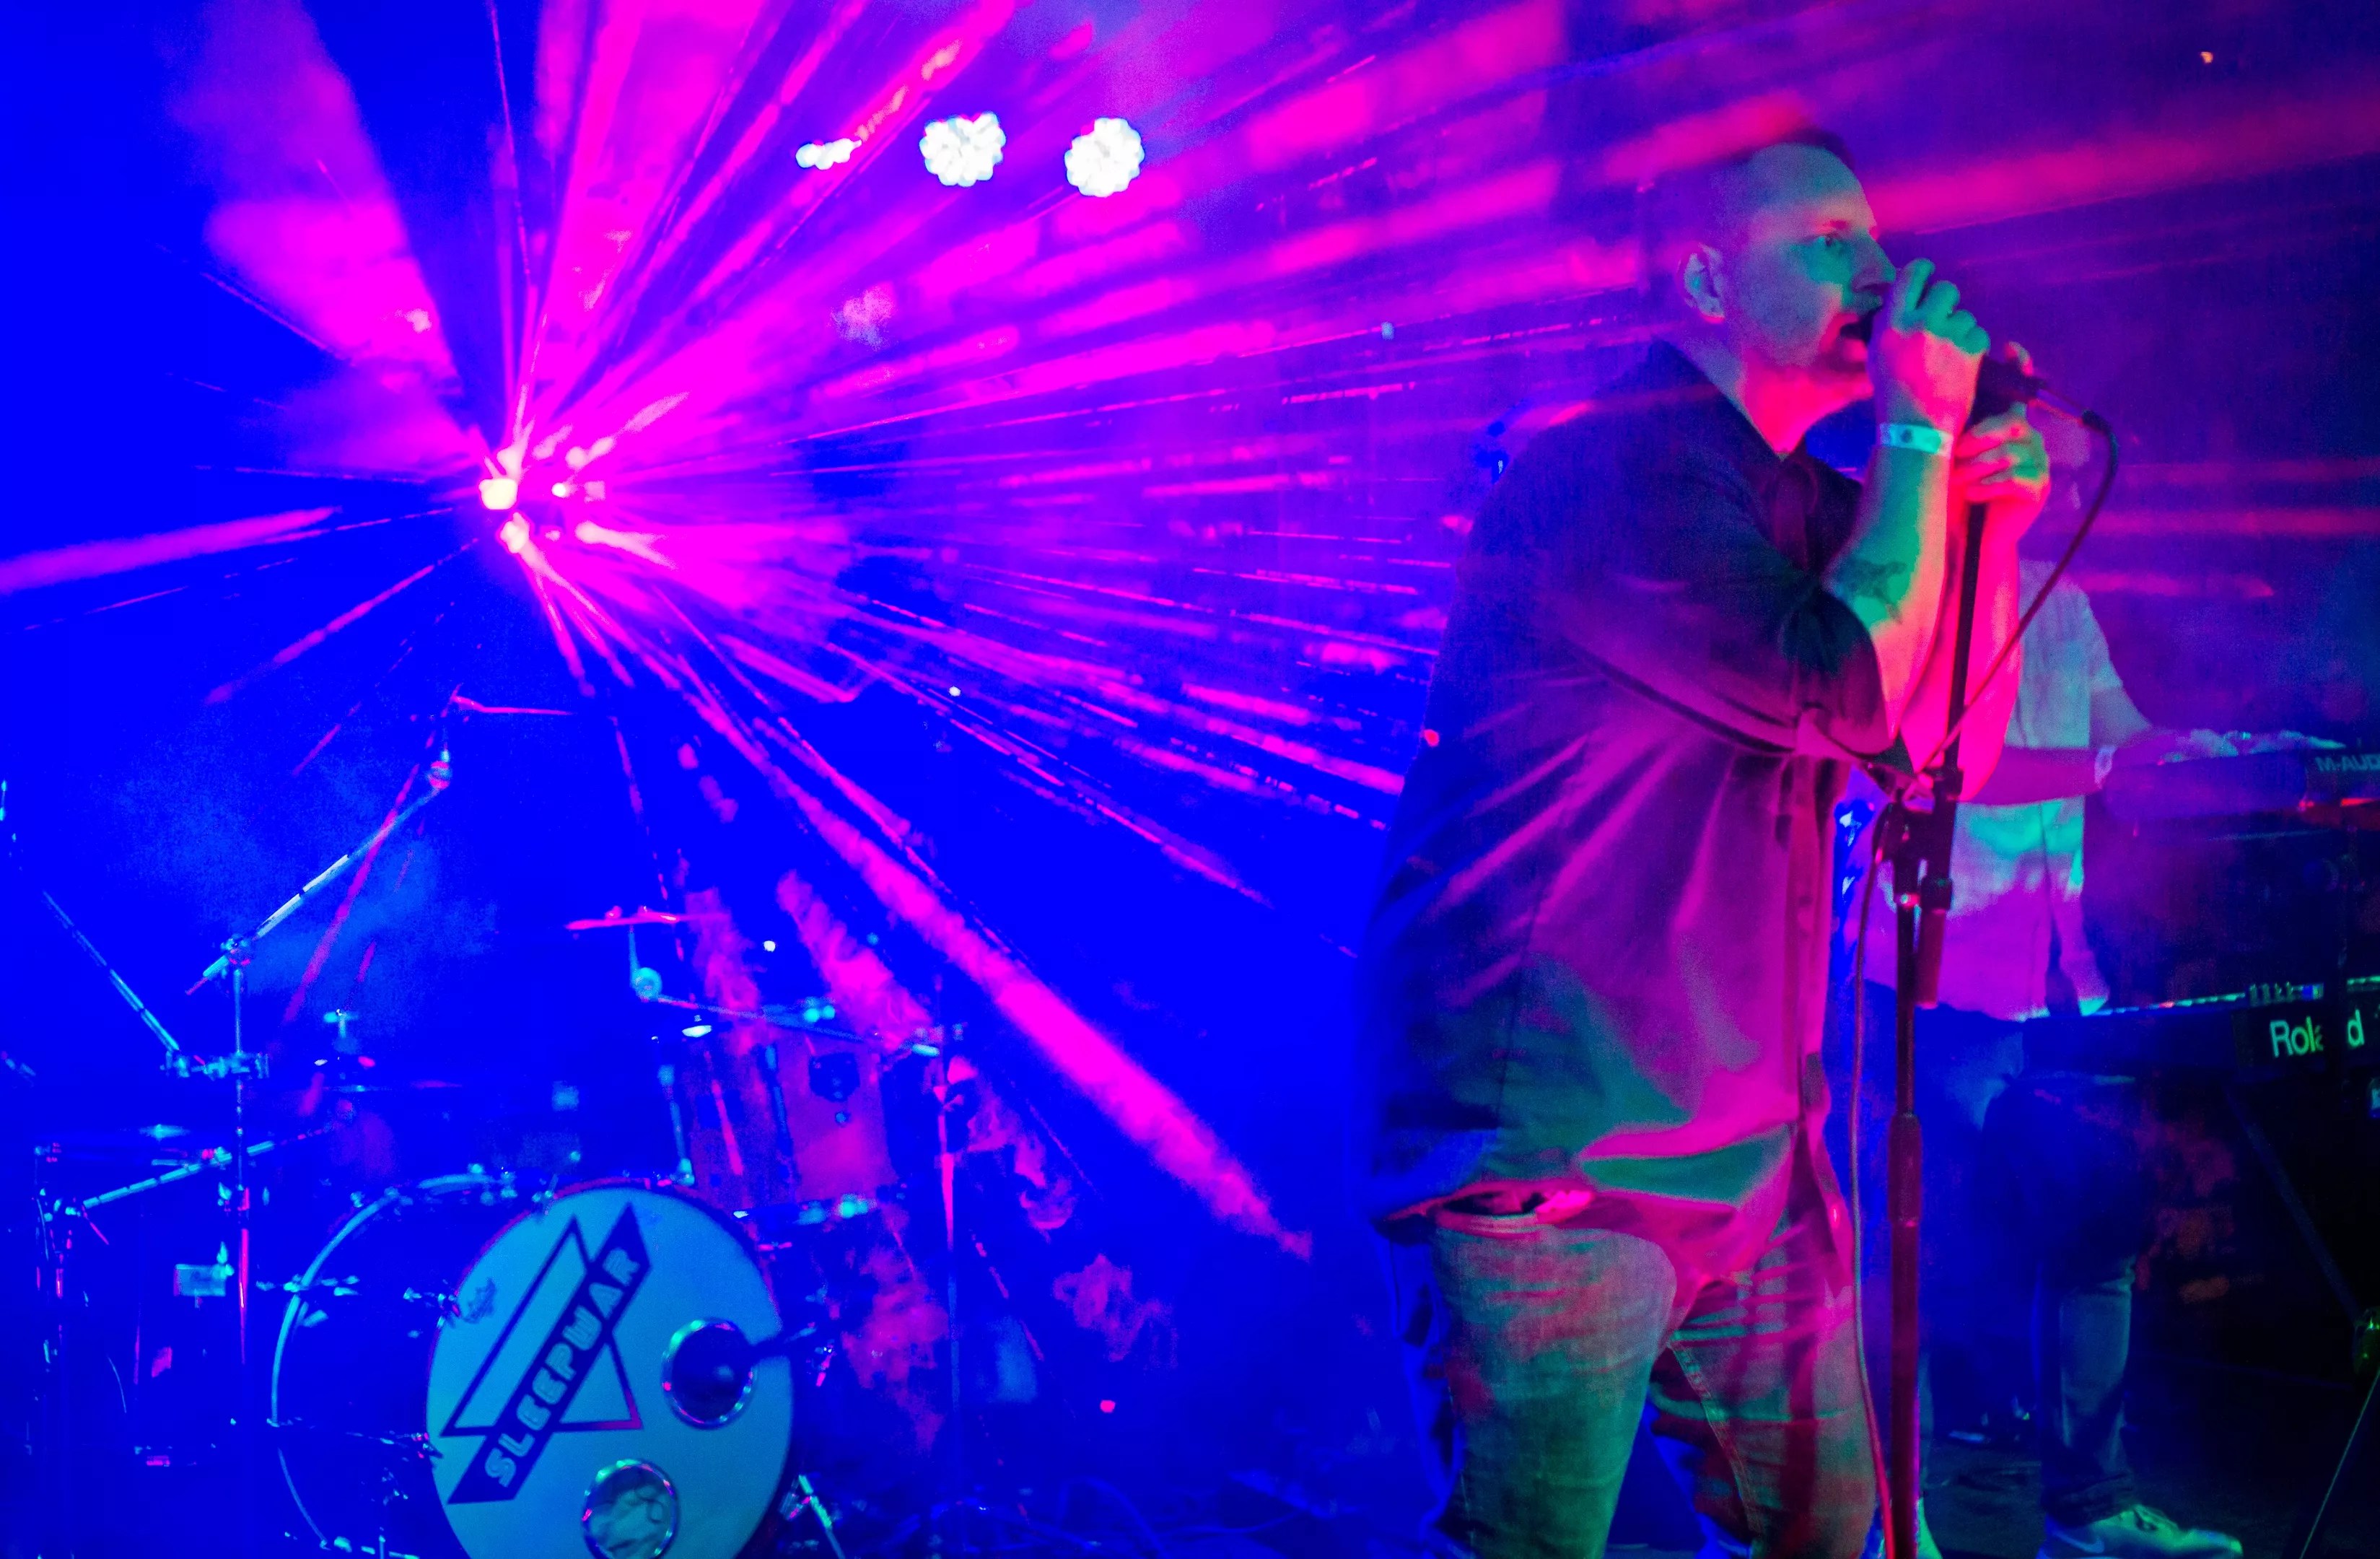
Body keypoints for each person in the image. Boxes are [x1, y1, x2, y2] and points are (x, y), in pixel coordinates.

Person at [1352, 124, 2044, 1558]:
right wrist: (1917, 438)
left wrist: (1984, 534)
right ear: (1706, 281)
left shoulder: (1807, 505)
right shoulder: (1609, 475)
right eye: (1827, 241)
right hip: (1561, 1147)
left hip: (1749, 1150)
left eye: (1873, 232)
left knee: (1836, 1538)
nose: (1877, 270)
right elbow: (1842, 684)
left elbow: (1939, 752)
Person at [1832, 568, 2247, 1559]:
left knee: (2097, 1233)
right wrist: (2109, 764)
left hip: (2059, 985)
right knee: (1908, 1262)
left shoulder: (2064, 600)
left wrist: (2220, 754)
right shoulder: (1907, 582)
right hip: (1924, 987)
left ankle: (2090, 1510)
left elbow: (2126, 736)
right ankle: (1892, 1520)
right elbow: (1941, 764)